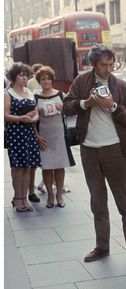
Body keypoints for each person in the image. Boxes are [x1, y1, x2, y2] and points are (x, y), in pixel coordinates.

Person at [63, 44, 126, 268]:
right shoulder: (81, 82)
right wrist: (85, 103)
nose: (108, 69)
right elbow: (66, 107)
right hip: (89, 149)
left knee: (125, 204)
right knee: (98, 202)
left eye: (111, 64)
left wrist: (113, 106)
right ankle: (102, 246)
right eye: (103, 65)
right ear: (93, 65)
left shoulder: (122, 86)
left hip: (115, 150)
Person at [34, 66, 75, 208]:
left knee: (59, 166)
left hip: (59, 136)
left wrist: (63, 107)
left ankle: (59, 195)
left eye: (48, 78)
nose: (46, 81)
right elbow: (34, 120)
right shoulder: (36, 97)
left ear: (52, 80)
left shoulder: (61, 95)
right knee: (46, 167)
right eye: (43, 79)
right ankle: (50, 196)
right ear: (39, 81)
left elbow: (71, 111)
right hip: (44, 137)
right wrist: (37, 136)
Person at [4, 62, 41, 212]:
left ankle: (24, 199)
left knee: (28, 167)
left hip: (29, 132)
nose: (24, 77)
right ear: (13, 77)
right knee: (18, 167)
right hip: (15, 133)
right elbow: (5, 115)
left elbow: (37, 112)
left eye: (25, 74)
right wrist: (21, 118)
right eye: (20, 75)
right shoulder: (8, 94)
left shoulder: (30, 93)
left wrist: (33, 119)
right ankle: (17, 198)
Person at [26, 63, 43, 203]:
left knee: (33, 163)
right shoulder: (32, 90)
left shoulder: (31, 91)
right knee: (29, 164)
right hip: (31, 128)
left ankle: (30, 190)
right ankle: (26, 192)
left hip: (38, 126)